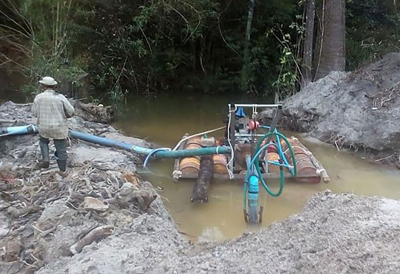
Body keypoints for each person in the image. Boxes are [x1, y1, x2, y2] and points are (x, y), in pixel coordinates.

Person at [32, 76, 75, 176]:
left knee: (43, 141)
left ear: (42, 86)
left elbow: (34, 113)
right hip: (59, 127)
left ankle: (46, 160)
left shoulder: (38, 97)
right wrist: (65, 115)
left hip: (44, 126)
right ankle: (62, 170)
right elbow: (71, 112)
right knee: (61, 149)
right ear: (54, 86)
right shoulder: (60, 97)